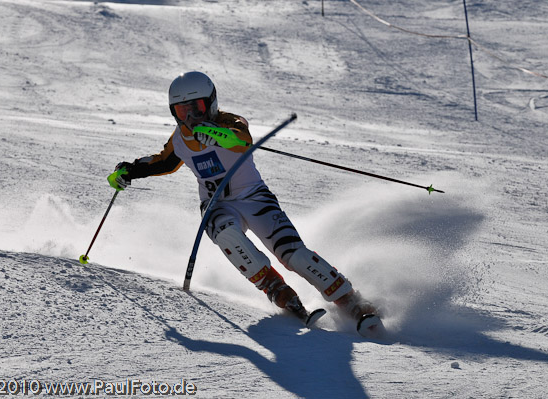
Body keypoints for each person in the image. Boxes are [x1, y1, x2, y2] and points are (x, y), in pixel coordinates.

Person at [108, 71, 381, 334]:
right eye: (182, 111)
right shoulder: (180, 139)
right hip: (216, 205)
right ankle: (276, 288)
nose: (191, 117)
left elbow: (242, 140)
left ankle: (349, 300)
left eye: (197, 108)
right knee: (227, 234)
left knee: (292, 253)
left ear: (211, 104)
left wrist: (215, 133)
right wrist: (129, 170)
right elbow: (163, 162)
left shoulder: (231, 122)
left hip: (254, 197)